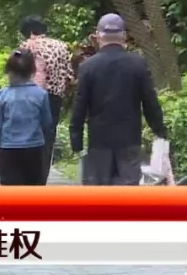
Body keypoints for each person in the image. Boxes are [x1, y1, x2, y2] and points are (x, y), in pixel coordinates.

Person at [71, 14, 168, 186]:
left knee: (101, 192)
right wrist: (159, 130)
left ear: (98, 36)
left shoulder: (88, 67)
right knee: (128, 192)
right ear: (123, 36)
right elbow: (150, 101)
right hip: (129, 139)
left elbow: (80, 106)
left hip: (99, 141)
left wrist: (76, 141)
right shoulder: (137, 64)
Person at [18, 16, 73, 184]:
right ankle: (41, 179)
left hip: (30, 98)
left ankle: (27, 176)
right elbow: (69, 76)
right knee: (47, 138)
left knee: (28, 136)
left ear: (30, 33)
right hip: (54, 99)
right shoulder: (62, 47)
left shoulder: (27, 46)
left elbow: (18, 72)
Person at [0, 50, 52, 185]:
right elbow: (47, 124)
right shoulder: (41, 94)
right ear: (32, 71)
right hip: (34, 149)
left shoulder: (2, 95)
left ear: (9, 72)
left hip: (8, 150)